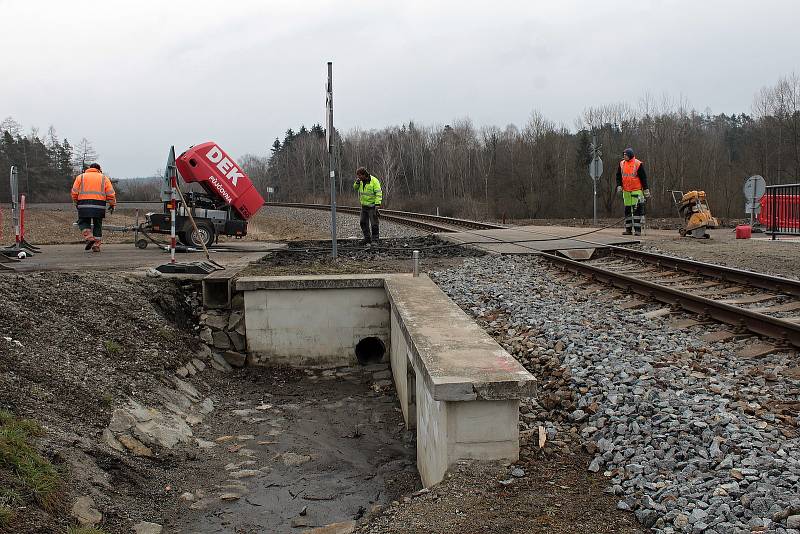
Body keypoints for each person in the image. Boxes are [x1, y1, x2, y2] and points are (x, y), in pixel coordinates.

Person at [71, 163, 116, 252]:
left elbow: (74, 192)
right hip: (99, 205)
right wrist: (112, 204)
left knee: (83, 222)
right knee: (98, 224)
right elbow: (111, 194)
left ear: (89, 168)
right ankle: (96, 245)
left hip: (84, 204)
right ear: (99, 169)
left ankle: (89, 237)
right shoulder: (104, 178)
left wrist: (76, 202)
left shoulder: (81, 177)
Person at [616, 147, 650, 236]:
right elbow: (618, 176)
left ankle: (638, 230)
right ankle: (628, 230)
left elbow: (643, 177)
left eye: (626, 155)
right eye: (623, 155)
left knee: (637, 212)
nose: (624, 156)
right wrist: (619, 185)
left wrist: (646, 189)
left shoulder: (638, 164)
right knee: (627, 211)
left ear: (630, 155)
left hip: (636, 191)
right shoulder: (622, 164)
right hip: (626, 191)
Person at [353, 167, 382, 245]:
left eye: (359, 176)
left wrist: (377, 205)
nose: (358, 177)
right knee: (363, 222)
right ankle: (367, 238)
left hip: (372, 206)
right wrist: (357, 183)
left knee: (374, 224)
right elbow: (355, 188)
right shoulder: (360, 181)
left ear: (364, 175)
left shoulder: (374, 181)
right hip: (364, 206)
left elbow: (378, 193)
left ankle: (375, 240)